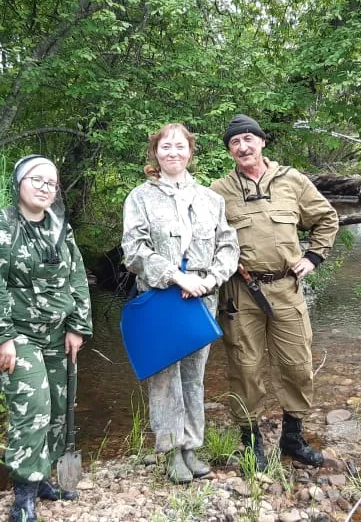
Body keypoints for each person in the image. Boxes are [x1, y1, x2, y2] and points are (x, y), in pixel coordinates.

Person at [209, 114, 339, 470]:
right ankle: (251, 443)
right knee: (245, 368)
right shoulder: (218, 191)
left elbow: (327, 218)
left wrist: (313, 256)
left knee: (297, 364)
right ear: (230, 151)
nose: (243, 146)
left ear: (262, 142)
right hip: (240, 293)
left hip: (286, 288)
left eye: (248, 139)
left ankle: (293, 439)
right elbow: (198, 233)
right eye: (235, 142)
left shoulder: (292, 180)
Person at [0, 155, 92, 522]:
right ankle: (23, 494)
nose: (44, 188)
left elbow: (78, 277)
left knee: (56, 406)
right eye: (36, 180)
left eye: (51, 183)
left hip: (58, 334)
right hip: (17, 335)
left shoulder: (59, 227)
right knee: (32, 407)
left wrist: (77, 326)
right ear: (19, 182)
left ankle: (41, 478)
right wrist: (1, 337)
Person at [121, 123, 239, 483]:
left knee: (194, 376)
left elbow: (229, 247)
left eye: (180, 147)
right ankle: (171, 450)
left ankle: (192, 446)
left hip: (201, 298)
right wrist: (176, 276)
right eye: (165, 147)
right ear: (155, 153)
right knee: (164, 376)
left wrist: (208, 281)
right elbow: (134, 250)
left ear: (191, 152)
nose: (173, 153)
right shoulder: (140, 197)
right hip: (161, 294)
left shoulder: (211, 199)